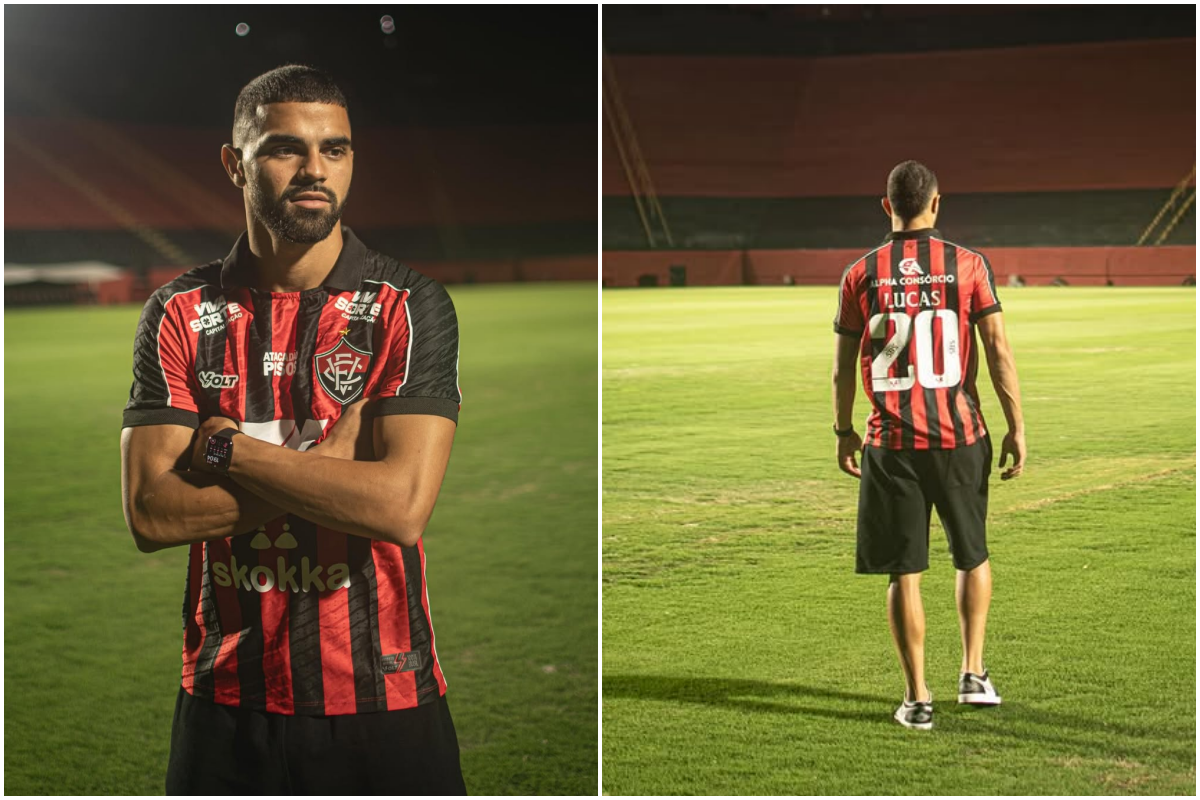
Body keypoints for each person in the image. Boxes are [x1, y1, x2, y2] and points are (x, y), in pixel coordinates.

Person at [119, 65, 467, 792]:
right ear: (233, 162)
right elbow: (152, 516)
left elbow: (398, 509)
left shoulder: (409, 306)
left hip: (383, 697)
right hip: (224, 699)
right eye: (285, 148)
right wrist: (329, 466)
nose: (315, 170)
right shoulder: (178, 312)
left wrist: (228, 450)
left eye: (334, 149)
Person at [831, 160, 1026, 731]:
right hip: (960, 435)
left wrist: (843, 430)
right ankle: (973, 673)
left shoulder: (859, 274)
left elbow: (844, 365)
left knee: (904, 572)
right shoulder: (968, 265)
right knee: (973, 553)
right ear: (936, 204)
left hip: (890, 443)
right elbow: (998, 352)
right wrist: (1016, 425)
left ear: (886, 205)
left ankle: (917, 698)